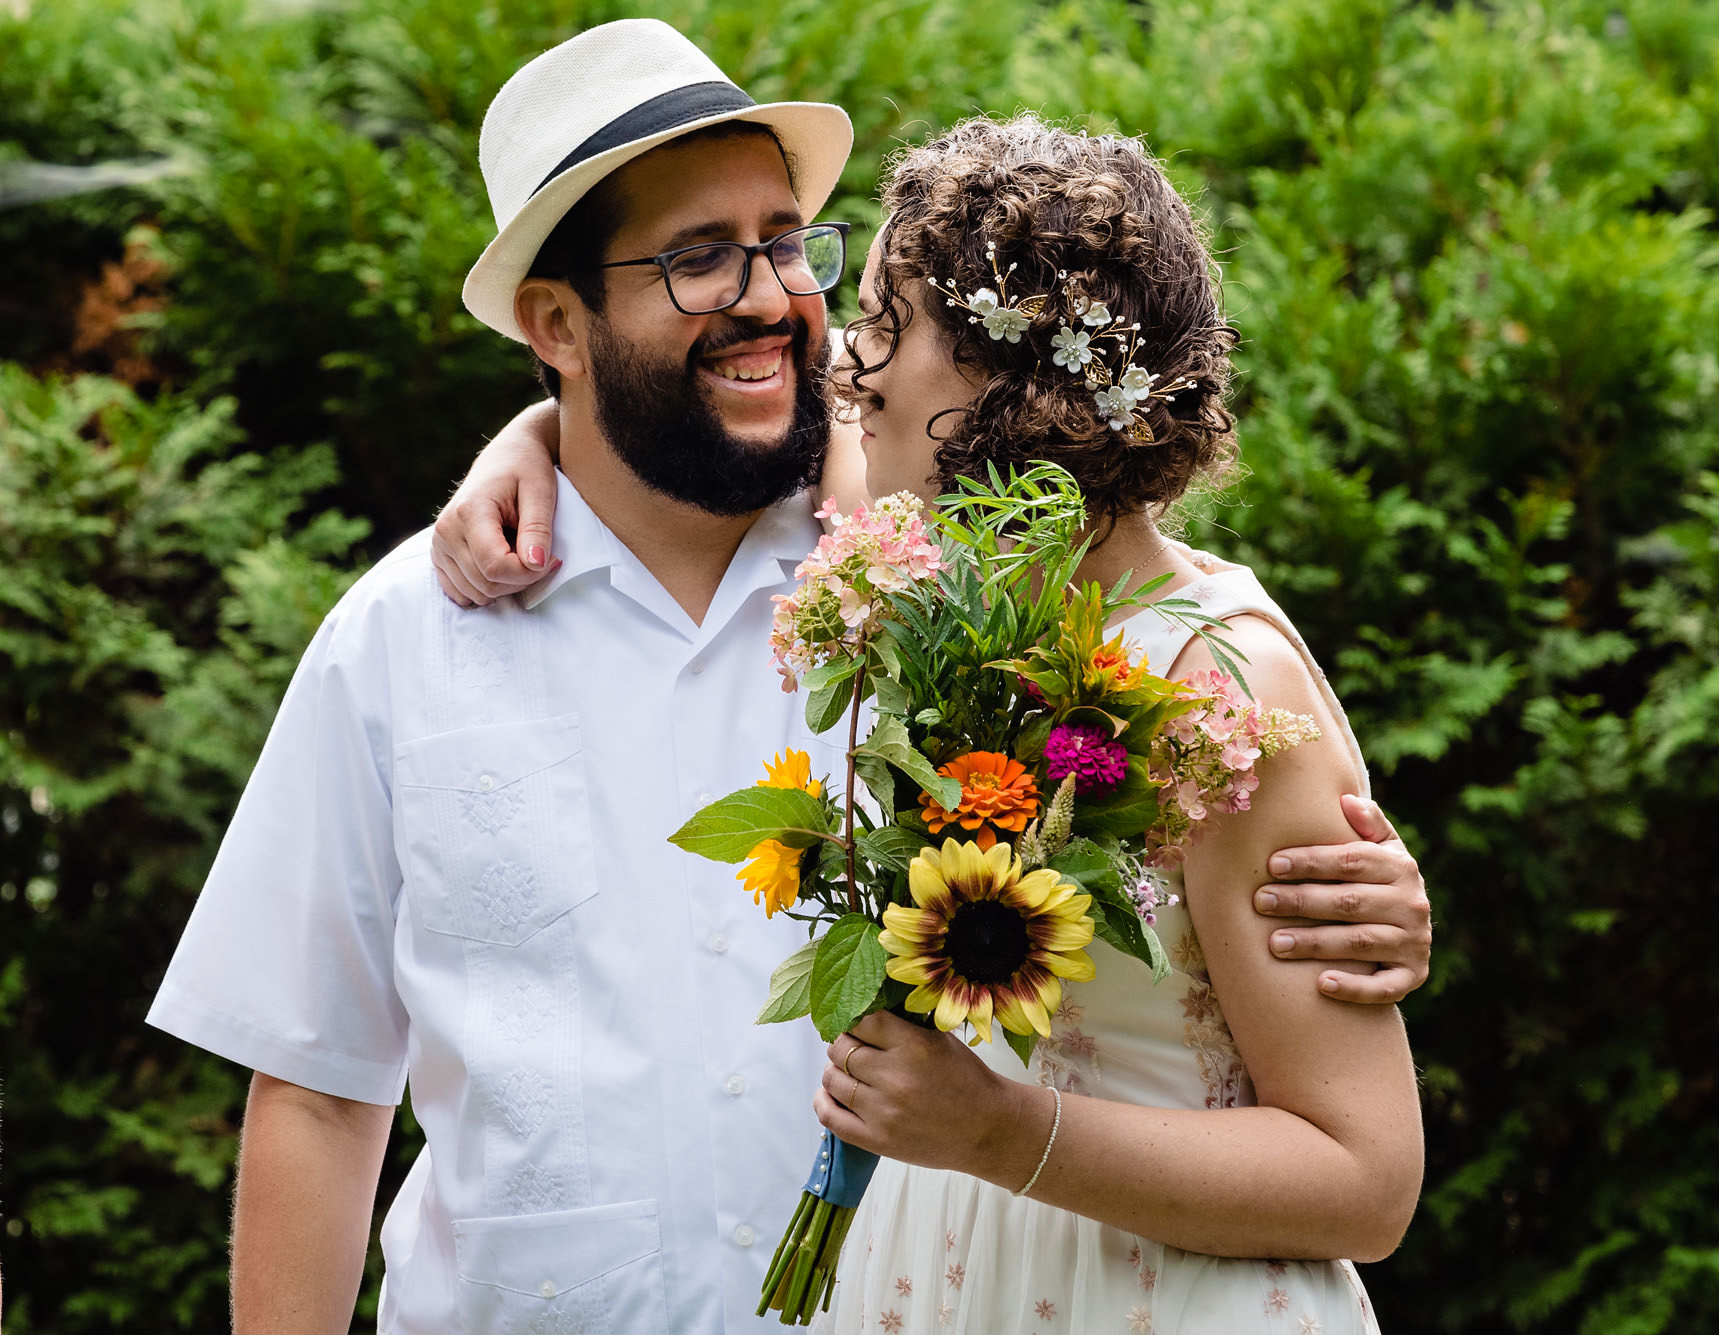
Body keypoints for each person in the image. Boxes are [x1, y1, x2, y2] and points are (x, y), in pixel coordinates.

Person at [147, 20, 1429, 1335]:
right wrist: (534, 435)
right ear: (557, 323)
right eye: (701, 259)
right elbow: (314, 1081)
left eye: (786, 246)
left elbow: (1188, 744)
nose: (780, 303)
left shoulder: (933, 595)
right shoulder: (402, 640)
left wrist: (1360, 897)